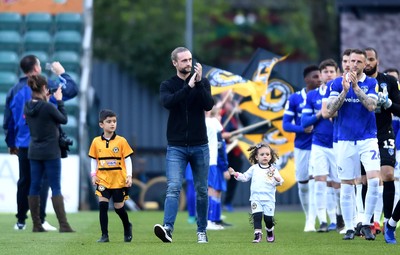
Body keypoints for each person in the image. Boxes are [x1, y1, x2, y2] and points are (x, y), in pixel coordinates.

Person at [3, 55, 78, 231]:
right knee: (43, 182)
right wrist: (62, 73)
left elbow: (8, 121)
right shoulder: (47, 87)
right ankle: (41, 219)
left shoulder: (14, 90)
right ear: (36, 68)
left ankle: (21, 221)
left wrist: (11, 142)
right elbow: (72, 90)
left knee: (25, 181)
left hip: (23, 143)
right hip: (45, 142)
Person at [154, 46, 214, 244]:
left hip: (200, 145)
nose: (188, 63)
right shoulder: (168, 84)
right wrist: (188, 86)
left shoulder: (202, 82)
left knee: (202, 189)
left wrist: (198, 84)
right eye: (184, 61)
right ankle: (168, 229)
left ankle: (202, 230)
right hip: (176, 146)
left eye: (190, 60)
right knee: (173, 187)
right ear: (175, 63)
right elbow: (169, 102)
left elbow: (208, 105)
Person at [326, 49, 380, 241]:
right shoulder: (335, 83)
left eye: (358, 61)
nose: (353, 64)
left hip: (368, 138)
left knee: (374, 180)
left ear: (364, 64)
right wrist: (345, 90)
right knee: (347, 185)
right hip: (344, 139)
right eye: (350, 61)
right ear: (345, 63)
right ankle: (350, 227)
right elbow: (329, 112)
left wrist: (356, 89)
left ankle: (366, 223)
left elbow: (372, 106)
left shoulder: (372, 83)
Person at [24, 75, 74, 233]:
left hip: (34, 151)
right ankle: (64, 225)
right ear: (44, 88)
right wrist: (59, 100)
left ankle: (36, 225)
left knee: (34, 186)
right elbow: (64, 119)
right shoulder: (48, 107)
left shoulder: (27, 106)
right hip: (51, 151)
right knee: (55, 187)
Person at [358, 48, 400, 235]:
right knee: (368, 180)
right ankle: (368, 222)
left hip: (384, 133)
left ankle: (388, 222)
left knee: (388, 175)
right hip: (364, 135)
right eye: (364, 60)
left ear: (377, 61)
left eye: (371, 59)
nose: (367, 63)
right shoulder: (356, 83)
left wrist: (389, 104)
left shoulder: (389, 82)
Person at [301, 59, 341, 232]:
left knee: (339, 184)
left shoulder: (343, 92)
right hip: (319, 143)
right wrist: (321, 114)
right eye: (325, 71)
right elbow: (304, 122)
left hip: (339, 143)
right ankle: (324, 221)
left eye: (331, 71)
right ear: (321, 75)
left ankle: (341, 217)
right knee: (320, 181)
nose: (328, 74)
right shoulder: (313, 95)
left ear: (337, 73)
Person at [283, 65, 321, 232]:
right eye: (315, 76)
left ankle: (313, 221)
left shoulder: (326, 96)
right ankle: (308, 216)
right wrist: (301, 129)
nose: (319, 79)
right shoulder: (295, 98)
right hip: (302, 146)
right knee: (303, 183)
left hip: (320, 144)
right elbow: (285, 124)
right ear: (306, 79)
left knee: (315, 182)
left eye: (320, 76)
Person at [89, 109, 134, 243]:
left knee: (119, 207)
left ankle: (127, 226)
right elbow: (93, 159)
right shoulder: (96, 142)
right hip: (103, 179)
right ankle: (104, 235)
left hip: (118, 180)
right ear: (101, 125)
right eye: (109, 122)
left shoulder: (121, 141)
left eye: (114, 121)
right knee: (103, 205)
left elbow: (127, 159)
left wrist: (129, 176)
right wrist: (93, 174)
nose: (112, 124)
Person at [228, 142, 283, 243]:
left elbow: (280, 182)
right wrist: (235, 173)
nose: (265, 156)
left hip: (269, 199)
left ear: (271, 156)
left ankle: (270, 231)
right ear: (257, 157)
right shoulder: (254, 168)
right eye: (262, 155)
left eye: (267, 154)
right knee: (257, 217)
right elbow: (245, 177)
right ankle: (258, 235)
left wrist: (277, 179)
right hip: (255, 198)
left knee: (268, 219)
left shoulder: (273, 170)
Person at [206, 104, 230, 230]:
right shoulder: (213, 122)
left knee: (213, 189)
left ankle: (213, 219)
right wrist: (225, 166)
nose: (221, 117)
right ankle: (210, 220)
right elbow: (220, 145)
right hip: (211, 161)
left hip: (211, 160)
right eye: (219, 114)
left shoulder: (208, 122)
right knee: (212, 189)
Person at [220, 91, 243, 212]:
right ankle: (215, 201)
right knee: (219, 175)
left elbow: (246, 123)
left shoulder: (236, 111)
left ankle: (228, 202)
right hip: (222, 149)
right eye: (225, 95)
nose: (228, 98)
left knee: (234, 176)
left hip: (235, 150)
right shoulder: (219, 111)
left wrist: (238, 111)